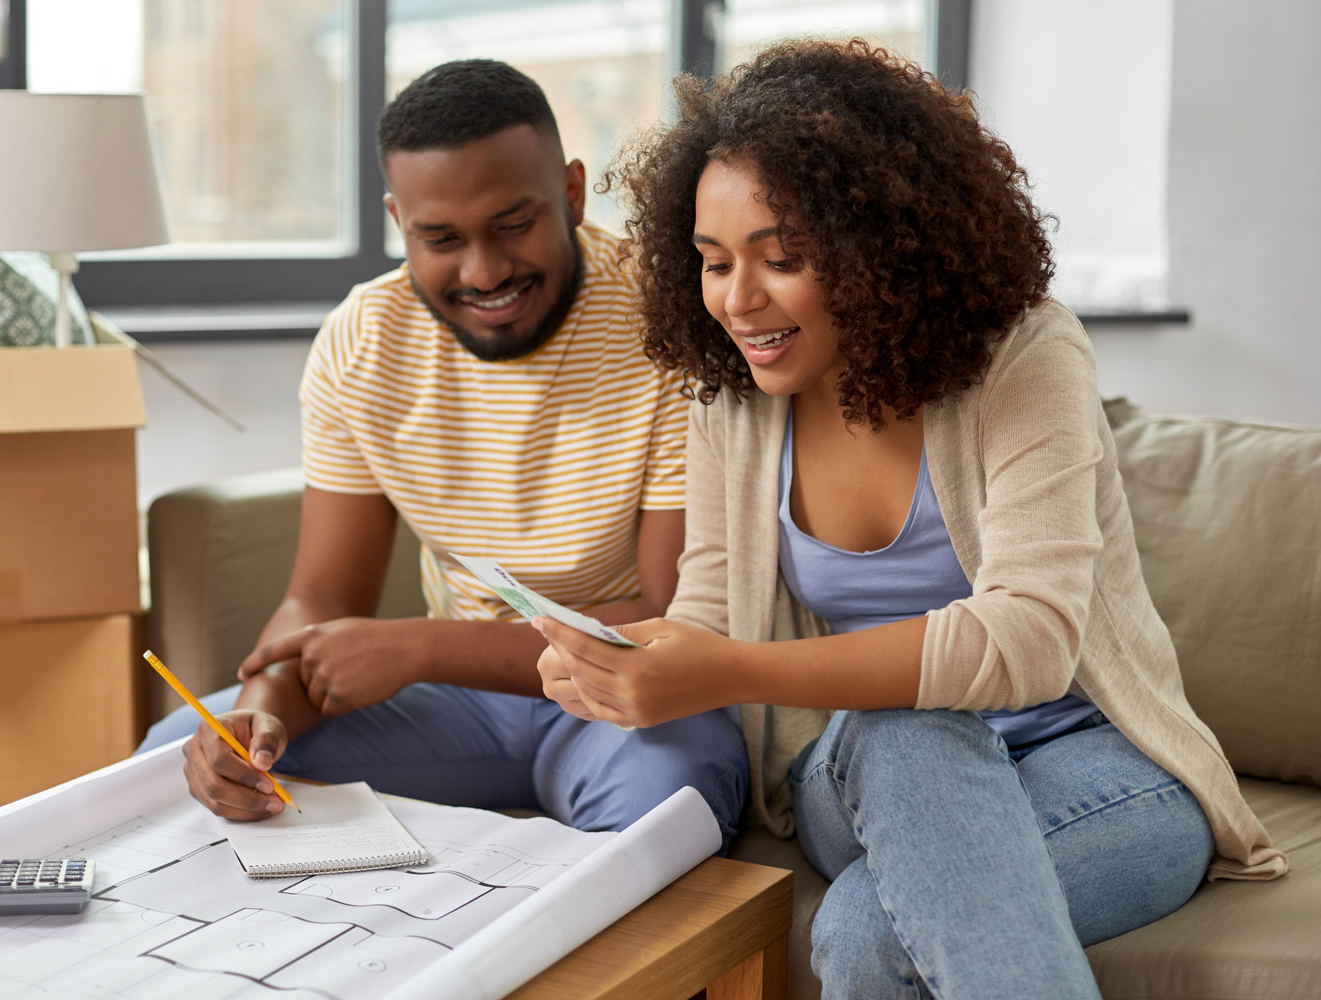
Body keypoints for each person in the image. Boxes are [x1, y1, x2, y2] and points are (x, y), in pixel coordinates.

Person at [532, 39, 1285, 997]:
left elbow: (1032, 641)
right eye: (714, 262)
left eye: (785, 258)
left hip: (1104, 768)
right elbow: (711, 612)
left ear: (882, 244)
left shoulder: (1022, 356)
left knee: (860, 933)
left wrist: (726, 669)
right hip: (867, 775)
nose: (738, 300)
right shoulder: (733, 396)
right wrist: (622, 658)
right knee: (902, 731)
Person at [138, 59, 747, 850]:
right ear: (399, 221)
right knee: (165, 774)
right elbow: (321, 594)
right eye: (441, 239)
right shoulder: (363, 342)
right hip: (464, 702)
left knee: (670, 813)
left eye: (512, 224)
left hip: (624, 698)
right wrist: (261, 706)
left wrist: (420, 647)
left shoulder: (668, 321)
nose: (484, 270)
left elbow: (669, 622)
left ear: (569, 191)